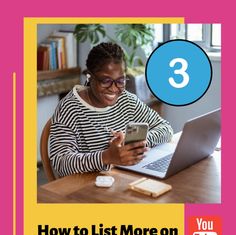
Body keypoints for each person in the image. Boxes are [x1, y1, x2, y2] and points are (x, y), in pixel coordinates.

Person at [50, 42, 173, 177]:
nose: (114, 88)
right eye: (105, 81)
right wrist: (106, 157)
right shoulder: (69, 108)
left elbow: (165, 128)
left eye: (120, 81)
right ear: (89, 77)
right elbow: (60, 163)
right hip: (86, 187)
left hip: (119, 179)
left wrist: (136, 143)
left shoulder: (126, 100)